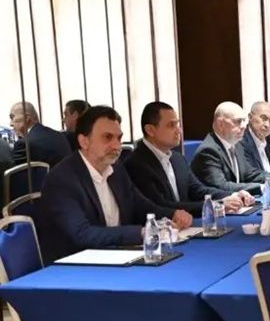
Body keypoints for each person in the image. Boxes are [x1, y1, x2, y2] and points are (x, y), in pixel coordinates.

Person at [35, 105, 192, 263]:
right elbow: (82, 234)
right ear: (84, 141)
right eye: (107, 138)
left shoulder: (116, 169)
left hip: (118, 258)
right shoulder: (62, 179)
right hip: (75, 267)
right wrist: (141, 233)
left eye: (119, 138)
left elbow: (140, 205)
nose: (117, 146)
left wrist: (173, 214)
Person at [125, 101, 250, 216]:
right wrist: (216, 205)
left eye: (178, 124)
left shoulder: (177, 158)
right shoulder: (136, 163)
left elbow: (198, 190)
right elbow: (160, 205)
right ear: (150, 130)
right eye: (171, 125)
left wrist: (232, 195)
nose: (178, 130)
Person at [191, 101, 268, 195]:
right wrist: (262, 187)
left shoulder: (237, 145)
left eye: (244, 121)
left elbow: (251, 174)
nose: (243, 126)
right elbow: (221, 186)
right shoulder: (208, 151)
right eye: (238, 121)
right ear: (221, 124)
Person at [10, 101, 71, 167]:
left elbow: (14, 172)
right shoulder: (59, 135)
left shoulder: (24, 144)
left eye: (12, 117)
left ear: (26, 118)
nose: (11, 124)